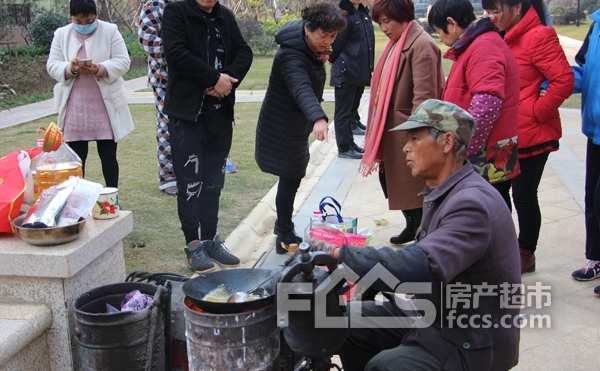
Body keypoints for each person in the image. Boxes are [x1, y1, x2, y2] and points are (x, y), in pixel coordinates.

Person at [291, 100, 521, 371]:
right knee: (343, 321)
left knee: (386, 366)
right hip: (435, 314)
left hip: (470, 337)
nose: (405, 147)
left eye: (414, 138)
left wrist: (339, 254)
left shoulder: (471, 203)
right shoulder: (447, 190)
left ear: (447, 142)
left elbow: (422, 265)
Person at [482, 0, 573, 274]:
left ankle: (525, 252)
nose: (491, 16)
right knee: (496, 193)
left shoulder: (538, 35)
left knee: (523, 195)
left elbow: (564, 80)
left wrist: (534, 111)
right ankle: (501, 247)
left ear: (517, 7)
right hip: (503, 134)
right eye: (488, 11)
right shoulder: (497, 36)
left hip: (531, 135)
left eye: (496, 10)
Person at [162, 0, 252, 273]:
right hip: (188, 115)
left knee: (214, 181)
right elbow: (176, 53)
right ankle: (192, 244)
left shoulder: (224, 15)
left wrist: (228, 80)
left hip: (220, 115)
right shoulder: (177, 12)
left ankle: (211, 239)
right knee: (190, 183)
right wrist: (213, 78)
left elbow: (244, 52)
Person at [255, 2, 346, 254]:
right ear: (307, 28)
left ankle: (284, 229)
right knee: (291, 176)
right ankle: (283, 233)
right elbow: (301, 88)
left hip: (295, 124)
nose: (328, 41)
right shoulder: (290, 55)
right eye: (323, 35)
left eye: (333, 36)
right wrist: (318, 117)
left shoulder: (308, 45)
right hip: (281, 126)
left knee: (293, 175)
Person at [359, 0, 444, 246]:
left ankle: (421, 232)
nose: (383, 28)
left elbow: (424, 98)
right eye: (380, 22)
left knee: (412, 186)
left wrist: (415, 137)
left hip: (408, 129)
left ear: (403, 15)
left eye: (387, 21)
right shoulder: (399, 43)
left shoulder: (421, 45)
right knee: (393, 182)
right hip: (394, 128)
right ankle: (412, 225)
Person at [427, 0, 520, 209]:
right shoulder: (476, 44)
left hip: (485, 154)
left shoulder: (483, 46)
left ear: (451, 23)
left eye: (438, 31)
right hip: (485, 149)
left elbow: (487, 103)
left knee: (483, 211)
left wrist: (464, 147)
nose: (440, 38)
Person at [47, 0, 134, 189]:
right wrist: (70, 68)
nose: (84, 25)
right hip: (76, 108)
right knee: (77, 160)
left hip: (105, 106)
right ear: (71, 17)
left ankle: (112, 197)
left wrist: (100, 69)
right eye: (78, 21)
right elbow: (52, 64)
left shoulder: (110, 31)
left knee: (108, 155)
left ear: (96, 14)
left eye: (89, 20)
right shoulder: (62, 34)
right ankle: (77, 199)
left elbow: (123, 61)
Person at [569, 8, 600, 292]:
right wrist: (554, 82)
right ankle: (596, 259)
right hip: (595, 131)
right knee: (591, 198)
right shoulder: (597, 25)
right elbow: (583, 69)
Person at [138, 0, 178, 196]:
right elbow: (147, 40)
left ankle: (192, 172)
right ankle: (168, 176)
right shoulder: (154, 5)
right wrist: (178, 56)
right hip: (164, 78)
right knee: (166, 126)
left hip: (194, 77)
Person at [329, 0, 375, 159]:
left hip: (359, 71)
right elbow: (337, 42)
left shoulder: (362, 13)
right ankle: (344, 146)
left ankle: (351, 142)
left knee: (351, 108)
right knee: (343, 112)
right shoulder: (344, 14)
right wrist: (331, 58)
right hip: (346, 70)